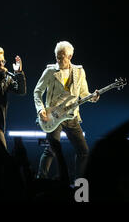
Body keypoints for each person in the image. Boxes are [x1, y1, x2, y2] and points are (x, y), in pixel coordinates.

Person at [34, 41, 99, 180]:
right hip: (54, 116)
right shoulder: (50, 71)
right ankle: (40, 181)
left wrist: (93, 97)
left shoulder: (79, 71)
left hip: (71, 116)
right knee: (50, 150)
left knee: (84, 152)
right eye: (56, 56)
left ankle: (78, 184)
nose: (58, 60)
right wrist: (40, 109)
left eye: (61, 57)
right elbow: (37, 91)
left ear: (70, 56)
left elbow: (84, 93)